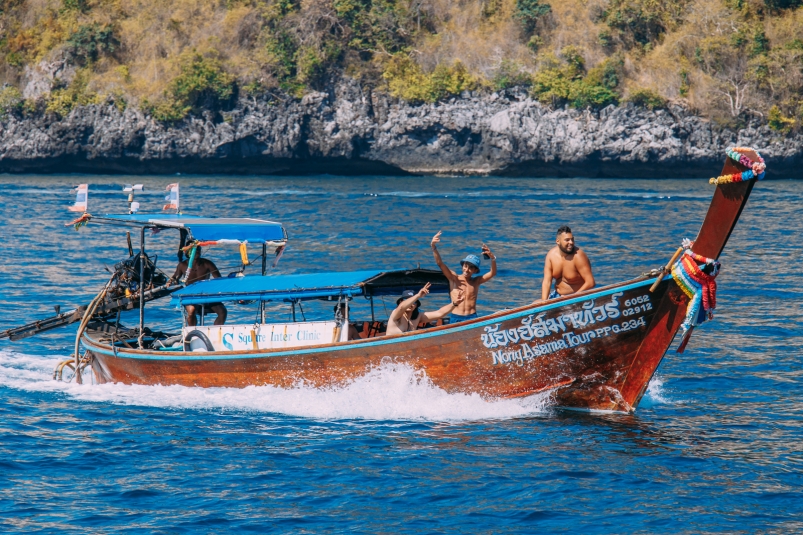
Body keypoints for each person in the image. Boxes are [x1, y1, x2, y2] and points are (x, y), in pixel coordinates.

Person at [431, 231, 496, 324]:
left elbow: (492, 273)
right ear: (462, 266)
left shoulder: (476, 281)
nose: (466, 269)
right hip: (456, 317)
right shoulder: (454, 278)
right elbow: (440, 264)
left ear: (475, 270)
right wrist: (433, 247)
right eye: (465, 266)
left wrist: (492, 258)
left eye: (470, 268)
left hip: (472, 317)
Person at [168, 247, 227, 326]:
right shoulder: (182, 265)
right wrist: (170, 282)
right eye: (194, 250)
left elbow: (219, 280)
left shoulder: (207, 263)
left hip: (206, 295)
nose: (197, 251)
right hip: (190, 296)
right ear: (188, 252)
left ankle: (215, 332)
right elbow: (175, 277)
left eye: (198, 249)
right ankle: (193, 333)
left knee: (222, 311)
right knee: (191, 310)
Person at [538, 225, 595, 302]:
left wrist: (572, 298)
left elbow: (590, 282)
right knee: (535, 303)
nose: (571, 242)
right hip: (558, 296)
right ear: (558, 241)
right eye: (567, 240)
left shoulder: (578, 256)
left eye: (572, 239)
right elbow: (547, 281)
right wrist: (544, 302)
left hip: (578, 298)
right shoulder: (551, 256)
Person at [386, 283, 464, 336]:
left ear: (416, 305)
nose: (411, 304)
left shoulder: (418, 317)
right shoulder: (396, 315)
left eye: (414, 302)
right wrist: (417, 296)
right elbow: (402, 307)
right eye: (407, 299)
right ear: (401, 302)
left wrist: (454, 304)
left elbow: (439, 313)